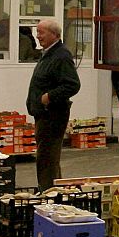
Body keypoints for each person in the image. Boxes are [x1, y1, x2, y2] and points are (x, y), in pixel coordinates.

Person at [26, 17, 80, 189]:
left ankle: (48, 195)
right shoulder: (49, 53)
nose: (37, 36)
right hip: (44, 114)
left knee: (47, 159)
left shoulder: (61, 55)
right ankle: (54, 192)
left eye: (41, 32)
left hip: (53, 115)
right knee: (48, 158)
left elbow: (72, 84)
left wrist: (49, 97)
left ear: (54, 34)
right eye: (37, 32)